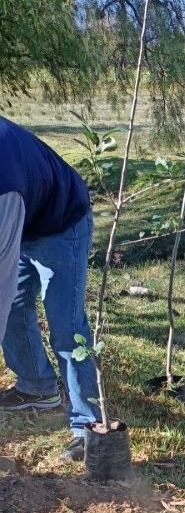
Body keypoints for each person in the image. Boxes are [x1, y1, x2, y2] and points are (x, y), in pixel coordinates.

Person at [0, 116, 100, 461]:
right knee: (15, 309)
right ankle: (37, 389)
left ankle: (88, 426)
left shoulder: (3, 184)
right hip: (26, 217)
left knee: (67, 327)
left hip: (61, 224)